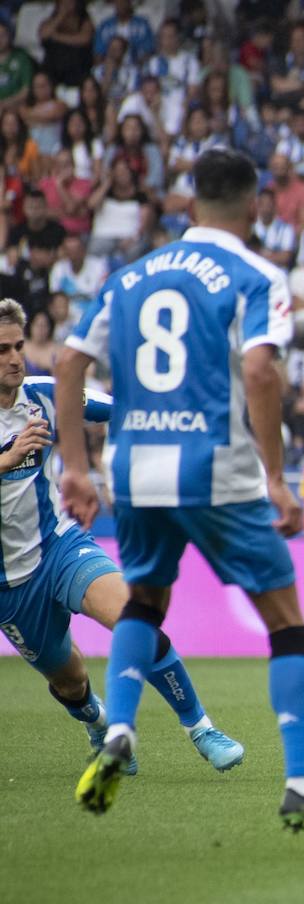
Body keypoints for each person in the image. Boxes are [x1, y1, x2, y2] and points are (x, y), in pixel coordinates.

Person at [56, 148, 304, 850]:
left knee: (144, 599)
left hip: (137, 469)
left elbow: (68, 361)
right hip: (216, 470)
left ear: (189, 202)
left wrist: (76, 468)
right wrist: (279, 477)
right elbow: (260, 368)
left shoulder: (129, 275)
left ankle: (120, 730)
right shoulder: (257, 274)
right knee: (286, 623)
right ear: (256, 204)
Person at [0, 298, 243, 774]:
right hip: (11, 586)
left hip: (59, 548)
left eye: (19, 345)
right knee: (69, 679)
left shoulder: (44, 395)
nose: (13, 357)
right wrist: (6, 460)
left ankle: (202, 729)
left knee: (136, 619)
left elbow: (122, 407)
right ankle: (96, 723)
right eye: (2, 349)